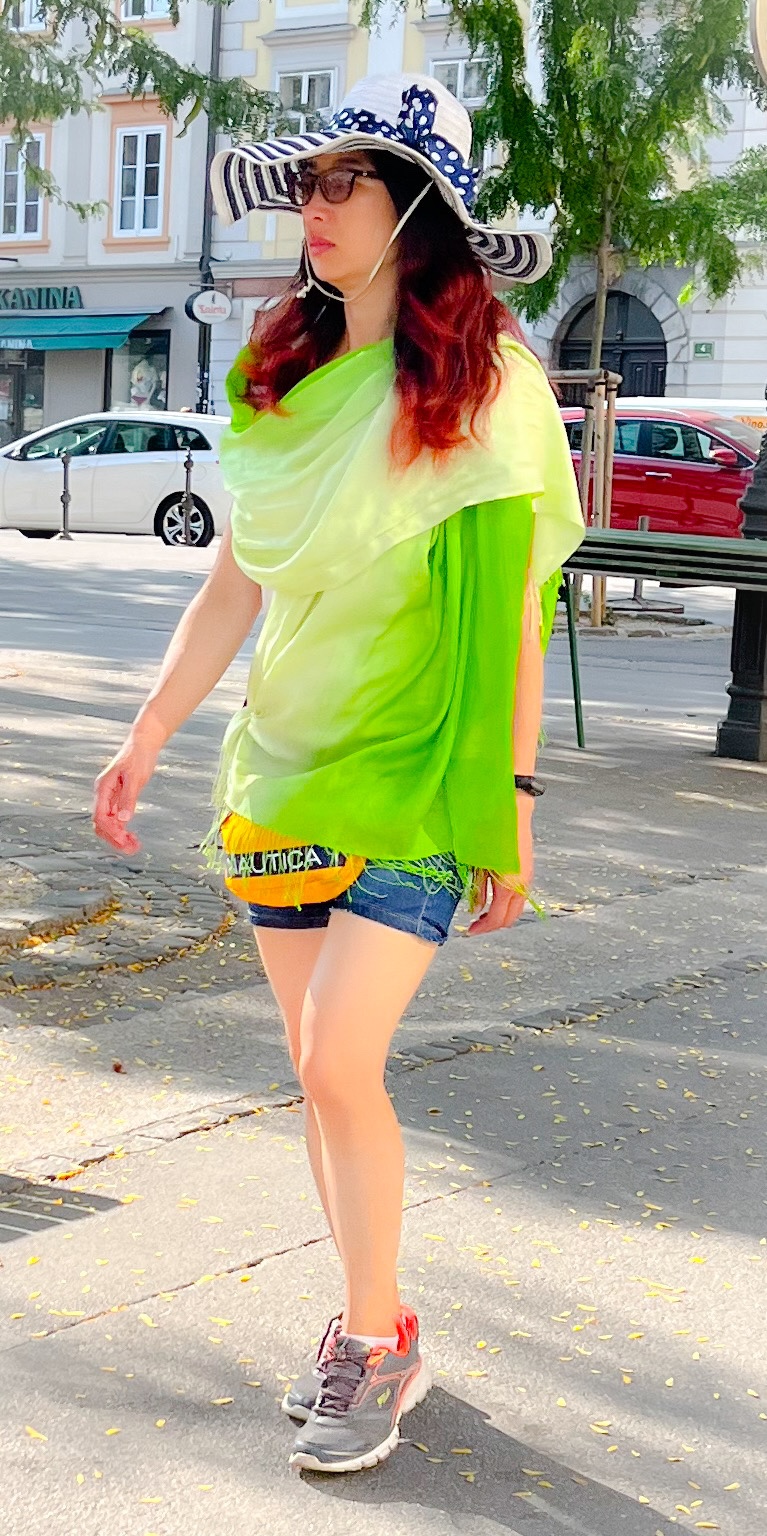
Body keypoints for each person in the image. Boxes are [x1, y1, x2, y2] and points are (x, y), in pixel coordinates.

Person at [93, 72, 584, 1476]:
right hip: (285, 768)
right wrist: (147, 734)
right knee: (319, 1081)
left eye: (342, 184)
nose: (313, 209)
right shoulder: (287, 383)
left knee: (334, 1058)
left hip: (418, 775)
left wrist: (512, 807)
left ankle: (371, 1344)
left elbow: (513, 625)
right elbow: (233, 586)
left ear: (414, 211)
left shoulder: (490, 396)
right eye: (306, 185)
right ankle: (378, 1316)